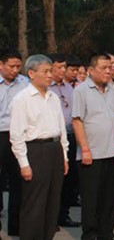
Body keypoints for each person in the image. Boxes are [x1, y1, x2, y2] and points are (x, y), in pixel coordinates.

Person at [10, 54, 69, 240]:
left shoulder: (53, 97)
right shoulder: (22, 99)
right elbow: (17, 135)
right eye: (46, 71)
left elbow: (61, 129)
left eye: (51, 71)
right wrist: (24, 164)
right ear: (31, 73)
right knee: (34, 203)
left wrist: (64, 156)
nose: (50, 75)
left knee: (52, 202)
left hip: (55, 150)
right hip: (35, 151)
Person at [72, 53, 114, 240]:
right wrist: (85, 149)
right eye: (104, 68)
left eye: (110, 67)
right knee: (91, 199)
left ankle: (106, 233)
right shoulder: (81, 90)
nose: (108, 71)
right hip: (91, 155)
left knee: (109, 198)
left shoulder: (112, 90)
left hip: (111, 152)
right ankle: (90, 234)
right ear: (91, 70)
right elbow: (77, 121)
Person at [47, 53, 81, 229]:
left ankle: (64, 215)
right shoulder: (46, 89)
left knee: (69, 179)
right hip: (54, 139)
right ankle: (50, 218)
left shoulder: (70, 88)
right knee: (54, 180)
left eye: (63, 67)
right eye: (59, 67)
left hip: (71, 136)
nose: (62, 71)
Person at [0, 49, 27, 236]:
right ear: (1, 65)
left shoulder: (25, 83)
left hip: (18, 135)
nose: (15, 70)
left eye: (18, 66)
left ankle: (15, 226)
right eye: (11, 66)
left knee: (19, 180)